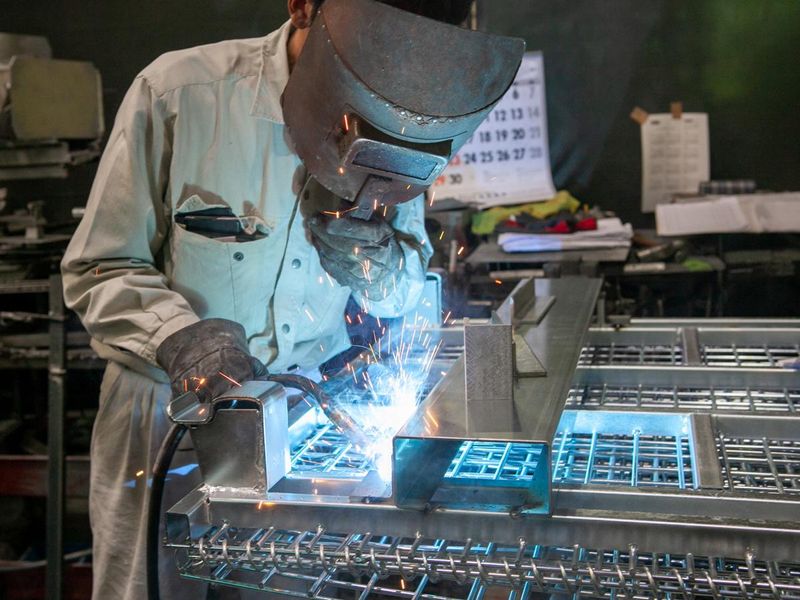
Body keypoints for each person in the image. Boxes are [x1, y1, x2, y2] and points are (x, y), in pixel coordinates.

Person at [61, 0, 519, 597]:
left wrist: (377, 262)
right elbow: (98, 266)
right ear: (304, 6)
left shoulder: (405, 118)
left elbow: (403, 295)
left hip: (304, 419)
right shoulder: (180, 93)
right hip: (166, 415)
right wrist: (179, 338)